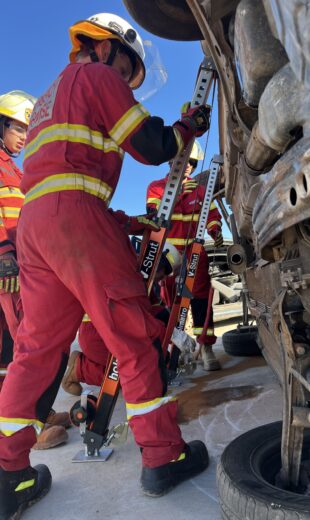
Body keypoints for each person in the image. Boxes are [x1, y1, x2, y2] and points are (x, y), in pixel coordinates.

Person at [0, 13, 211, 518]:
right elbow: (151, 146)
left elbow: (64, 178)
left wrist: (122, 221)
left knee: (35, 352)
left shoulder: (53, 97)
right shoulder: (95, 77)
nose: (126, 81)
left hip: (38, 228)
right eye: (128, 69)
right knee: (133, 337)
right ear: (110, 50)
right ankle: (164, 456)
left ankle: (10, 476)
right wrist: (188, 127)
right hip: (75, 221)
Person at [0, 91, 70, 452]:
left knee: (14, 348)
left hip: (20, 265)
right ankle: (28, 426)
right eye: (18, 127)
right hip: (7, 269)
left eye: (28, 128)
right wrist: (3, 253)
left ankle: (37, 414)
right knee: (27, 348)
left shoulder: (14, 168)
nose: (24, 136)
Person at [61, 241, 185, 394]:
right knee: (135, 374)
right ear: (156, 261)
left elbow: (153, 311)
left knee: (151, 354)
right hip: (98, 335)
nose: (162, 277)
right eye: (163, 271)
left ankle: (82, 362)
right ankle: (79, 370)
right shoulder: (128, 274)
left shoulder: (142, 277)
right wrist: (169, 334)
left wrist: (170, 334)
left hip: (106, 330)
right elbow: (136, 320)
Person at [146, 140, 223, 371]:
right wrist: (177, 193)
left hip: (194, 251)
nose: (188, 165)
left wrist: (215, 229)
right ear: (171, 161)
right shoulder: (157, 187)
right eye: (183, 160)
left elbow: (211, 215)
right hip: (168, 254)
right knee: (171, 303)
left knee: (200, 299)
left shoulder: (201, 191)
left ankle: (206, 348)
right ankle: (174, 350)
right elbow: (155, 216)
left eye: (192, 162)